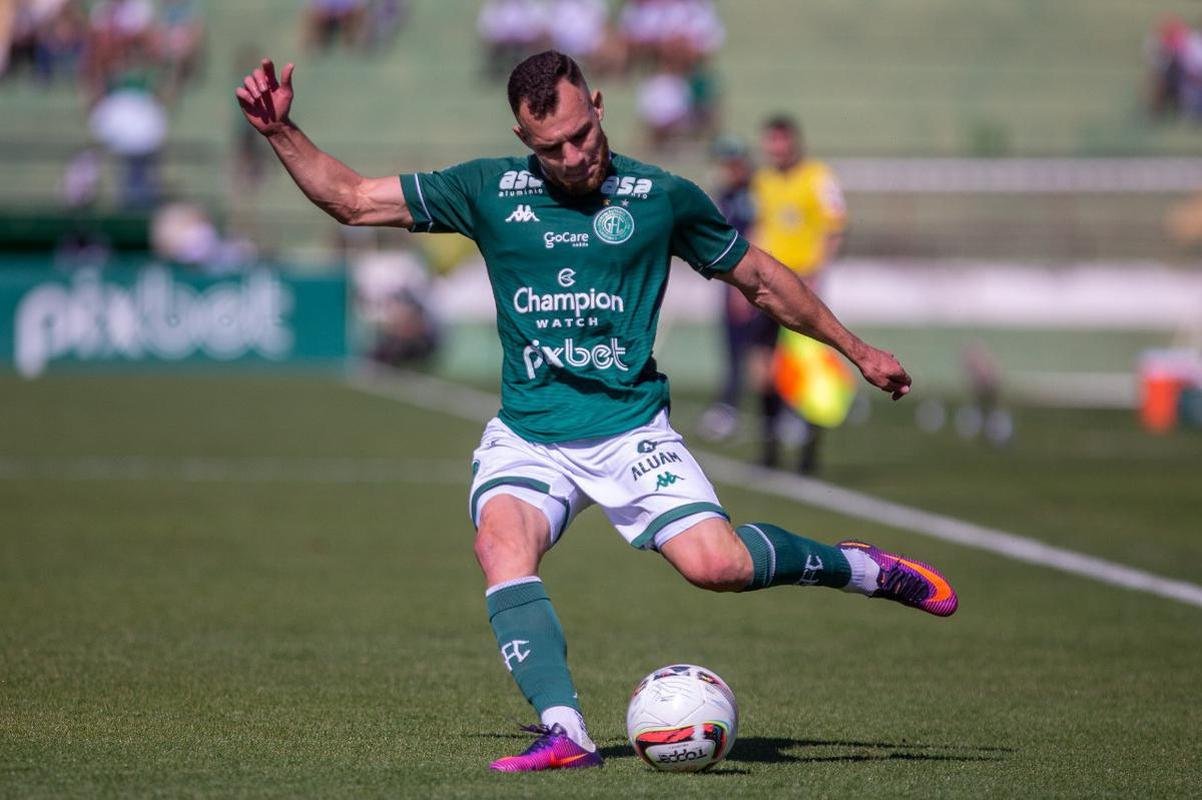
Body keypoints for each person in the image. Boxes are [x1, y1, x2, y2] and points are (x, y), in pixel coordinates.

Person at [235, 50, 957, 773]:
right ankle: (566, 732)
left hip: (630, 430)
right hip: (530, 434)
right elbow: (353, 199)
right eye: (552, 147)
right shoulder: (487, 190)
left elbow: (762, 279)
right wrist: (280, 132)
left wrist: (857, 350)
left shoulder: (661, 197)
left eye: (582, 134)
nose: (574, 156)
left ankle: (858, 568)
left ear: (600, 105)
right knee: (500, 547)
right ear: (524, 139)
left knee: (719, 566)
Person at [751, 113, 847, 473]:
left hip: (805, 285)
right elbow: (759, 227)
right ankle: (770, 446)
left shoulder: (818, 177)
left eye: (782, 140)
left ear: (794, 141)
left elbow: (834, 228)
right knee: (763, 364)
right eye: (771, 141)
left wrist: (818, 272)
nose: (776, 148)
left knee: (810, 369)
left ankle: (809, 452)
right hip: (768, 286)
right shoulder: (762, 181)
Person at [698, 136, 782, 448]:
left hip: (749, 283)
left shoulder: (755, 194)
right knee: (737, 352)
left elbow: (757, 237)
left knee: (759, 353)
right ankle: (737, 407)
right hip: (732, 282)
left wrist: (744, 288)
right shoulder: (727, 194)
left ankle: (769, 413)